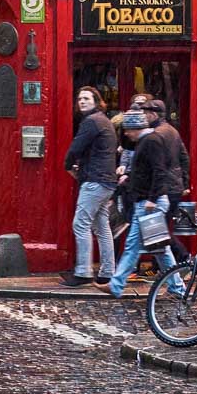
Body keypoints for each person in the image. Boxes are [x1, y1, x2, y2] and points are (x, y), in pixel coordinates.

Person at [108, 111, 183, 298]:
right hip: (148, 201)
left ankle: (116, 285)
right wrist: (128, 178)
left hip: (149, 204)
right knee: (160, 249)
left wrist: (152, 198)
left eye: (127, 129)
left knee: (132, 246)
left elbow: (159, 171)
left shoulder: (151, 142)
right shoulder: (145, 141)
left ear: (136, 128)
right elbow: (145, 172)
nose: (126, 133)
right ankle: (177, 287)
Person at [62, 86, 118, 286]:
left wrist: (68, 165)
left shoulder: (91, 122)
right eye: (79, 99)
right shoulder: (104, 120)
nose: (82, 102)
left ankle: (83, 272)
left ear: (96, 101)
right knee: (102, 226)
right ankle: (108, 272)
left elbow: (75, 148)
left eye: (86, 98)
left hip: (95, 181)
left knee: (81, 224)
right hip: (107, 181)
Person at [137, 97, 190, 262]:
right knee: (160, 229)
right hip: (174, 186)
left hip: (165, 187)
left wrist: (153, 195)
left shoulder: (156, 135)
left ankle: (184, 258)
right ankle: (163, 265)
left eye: (146, 113)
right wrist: (184, 183)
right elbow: (184, 157)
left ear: (154, 115)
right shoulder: (172, 131)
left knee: (160, 230)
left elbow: (158, 168)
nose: (144, 116)